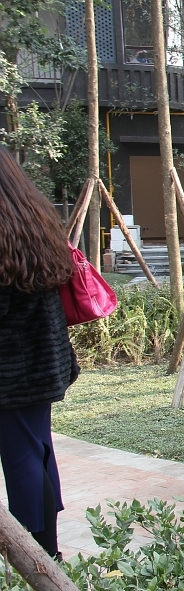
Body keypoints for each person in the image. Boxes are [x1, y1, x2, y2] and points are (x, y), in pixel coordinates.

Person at [0, 145, 78, 560]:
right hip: (41, 362)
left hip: (13, 370)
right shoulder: (34, 219)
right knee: (36, 451)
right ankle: (48, 551)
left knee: (23, 458)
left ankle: (36, 557)